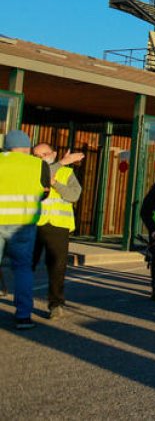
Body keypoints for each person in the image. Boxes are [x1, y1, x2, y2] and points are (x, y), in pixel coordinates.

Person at [0, 130, 51, 329]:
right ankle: (23, 316)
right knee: (22, 269)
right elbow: (45, 193)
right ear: (28, 147)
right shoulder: (39, 165)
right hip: (23, 224)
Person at [30, 143, 84, 319]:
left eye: (44, 154)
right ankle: (23, 304)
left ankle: (56, 304)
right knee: (27, 265)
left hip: (58, 225)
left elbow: (74, 195)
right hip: (34, 223)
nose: (41, 159)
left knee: (57, 267)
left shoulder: (66, 173)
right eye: (36, 156)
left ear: (53, 153)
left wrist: (55, 184)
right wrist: (62, 162)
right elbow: (41, 176)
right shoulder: (31, 170)